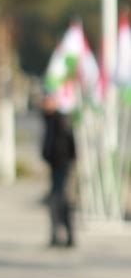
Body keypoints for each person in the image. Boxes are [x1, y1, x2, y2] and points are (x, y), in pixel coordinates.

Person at [41, 91, 76, 247]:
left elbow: (69, 143)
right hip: (54, 165)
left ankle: (67, 235)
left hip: (62, 165)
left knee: (59, 200)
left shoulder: (60, 120)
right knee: (55, 201)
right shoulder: (48, 119)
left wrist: (68, 161)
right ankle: (56, 234)